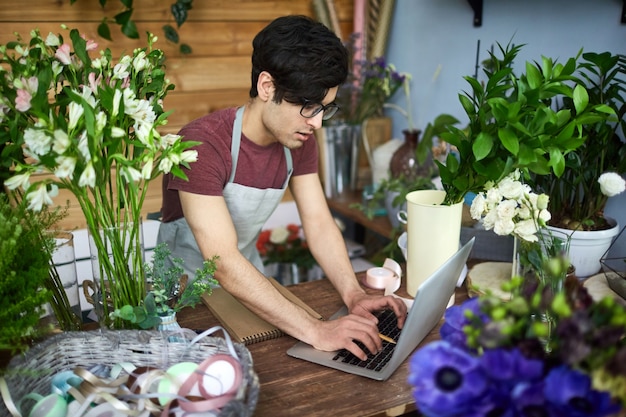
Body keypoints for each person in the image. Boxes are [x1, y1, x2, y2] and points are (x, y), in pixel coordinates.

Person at [157, 15, 406, 360]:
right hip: (183, 302)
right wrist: (317, 329)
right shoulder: (200, 144)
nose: (317, 123)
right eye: (308, 106)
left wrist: (354, 295)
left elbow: (319, 224)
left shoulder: (300, 141)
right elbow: (222, 261)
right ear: (266, 87)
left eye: (325, 108)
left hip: (249, 287)